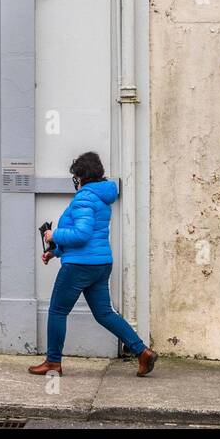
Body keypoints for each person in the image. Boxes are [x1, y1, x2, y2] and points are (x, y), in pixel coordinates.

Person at [28, 151, 158, 378]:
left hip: (79, 266)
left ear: (81, 175)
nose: (75, 180)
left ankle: (53, 362)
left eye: (76, 175)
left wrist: (53, 234)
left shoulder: (84, 198)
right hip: (100, 263)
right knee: (104, 313)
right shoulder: (101, 197)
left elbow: (82, 234)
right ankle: (142, 351)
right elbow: (90, 237)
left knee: (57, 311)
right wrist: (55, 252)